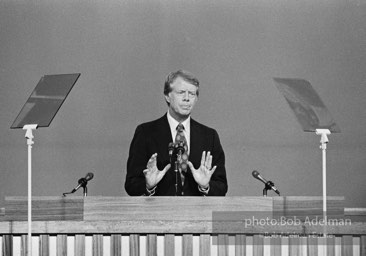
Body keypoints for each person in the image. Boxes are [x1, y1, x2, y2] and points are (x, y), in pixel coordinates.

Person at [125, 70, 227, 196]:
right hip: (159, 213)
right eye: (181, 92)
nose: (187, 98)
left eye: (192, 94)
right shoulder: (146, 133)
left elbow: (222, 187)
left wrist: (205, 186)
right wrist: (148, 186)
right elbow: (131, 184)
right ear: (167, 96)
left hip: (197, 214)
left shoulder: (209, 136)